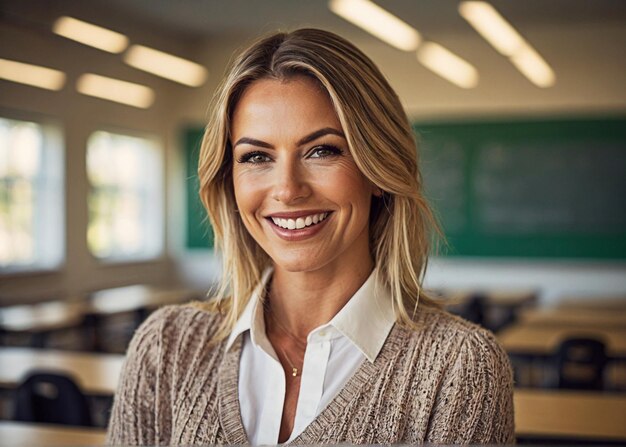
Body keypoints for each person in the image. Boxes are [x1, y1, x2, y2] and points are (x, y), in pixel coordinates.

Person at [107, 28, 514, 445]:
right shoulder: (165, 348)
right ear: (230, 180)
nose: (287, 189)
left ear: (378, 170)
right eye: (257, 157)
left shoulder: (460, 369)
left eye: (322, 151)